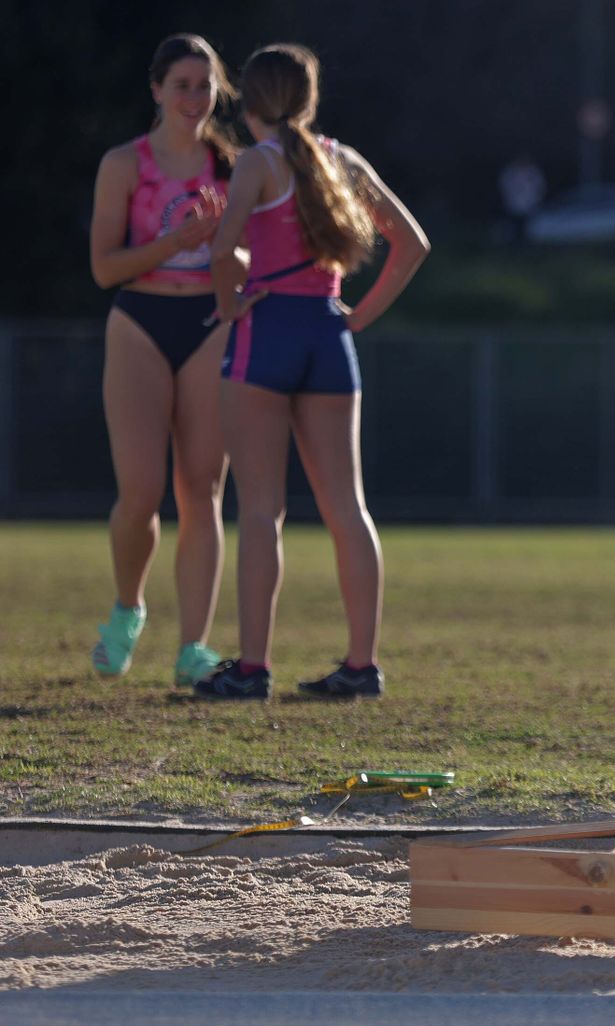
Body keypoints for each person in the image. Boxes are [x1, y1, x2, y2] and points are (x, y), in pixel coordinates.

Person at [194, 43, 429, 701]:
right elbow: (411, 243)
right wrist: (355, 320)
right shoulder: (340, 159)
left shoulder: (256, 164)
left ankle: (252, 668)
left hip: (264, 335)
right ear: (308, 97)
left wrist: (228, 304)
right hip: (328, 336)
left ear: (250, 100)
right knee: (347, 507)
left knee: (262, 510)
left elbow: (220, 251)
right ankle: (362, 665)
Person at [87, 34, 236, 688]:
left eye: (205, 86)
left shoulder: (233, 166)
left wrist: (229, 258)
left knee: (202, 489)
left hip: (210, 325)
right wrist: (178, 240)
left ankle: (194, 648)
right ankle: (128, 609)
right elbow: (103, 268)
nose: (195, 98)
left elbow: (253, 253)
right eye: (182, 84)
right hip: (139, 323)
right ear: (156, 89)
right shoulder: (125, 164)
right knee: (141, 492)